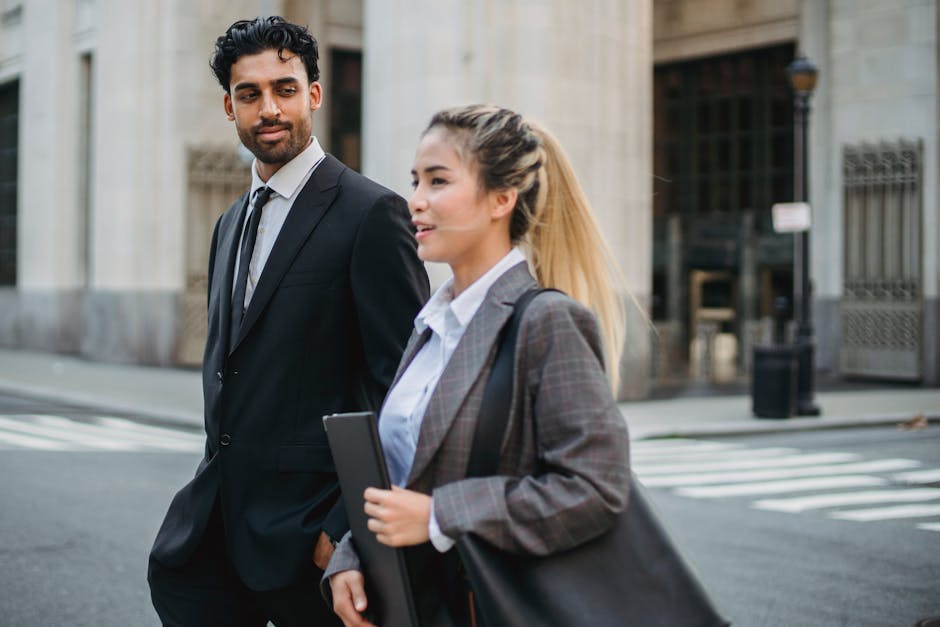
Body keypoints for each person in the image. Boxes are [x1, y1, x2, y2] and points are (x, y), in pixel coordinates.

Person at [147, 16, 429, 627]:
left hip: (312, 545)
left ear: (314, 95)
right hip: (215, 531)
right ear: (229, 106)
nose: (269, 108)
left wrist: (343, 529)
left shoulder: (371, 214)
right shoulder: (229, 223)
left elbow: (405, 390)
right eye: (250, 94)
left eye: (285, 88)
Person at [325, 104, 631, 627]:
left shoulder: (547, 322)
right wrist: (350, 556)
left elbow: (596, 488)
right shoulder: (431, 325)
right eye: (415, 181)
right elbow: (407, 475)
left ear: (501, 199)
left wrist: (441, 515)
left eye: (438, 181)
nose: (415, 201)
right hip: (413, 606)